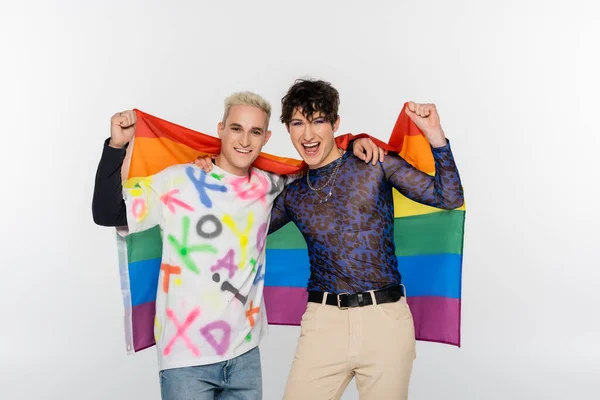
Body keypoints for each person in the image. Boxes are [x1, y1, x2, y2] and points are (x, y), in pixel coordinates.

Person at [91, 91, 383, 399]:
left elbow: (323, 164)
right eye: (236, 129)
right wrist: (116, 146)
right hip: (185, 359)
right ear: (220, 129)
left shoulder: (270, 186)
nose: (245, 140)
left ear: (266, 137)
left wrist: (353, 142)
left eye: (255, 132)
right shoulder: (179, 180)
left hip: (245, 356)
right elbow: (106, 213)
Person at [268, 79, 465, 400]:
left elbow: (449, 197)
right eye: (297, 123)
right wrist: (211, 172)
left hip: (385, 321)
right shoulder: (293, 193)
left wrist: (435, 136)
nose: (307, 134)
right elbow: (244, 231)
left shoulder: (373, 163)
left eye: (318, 121)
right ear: (287, 129)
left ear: (335, 124)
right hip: (323, 323)